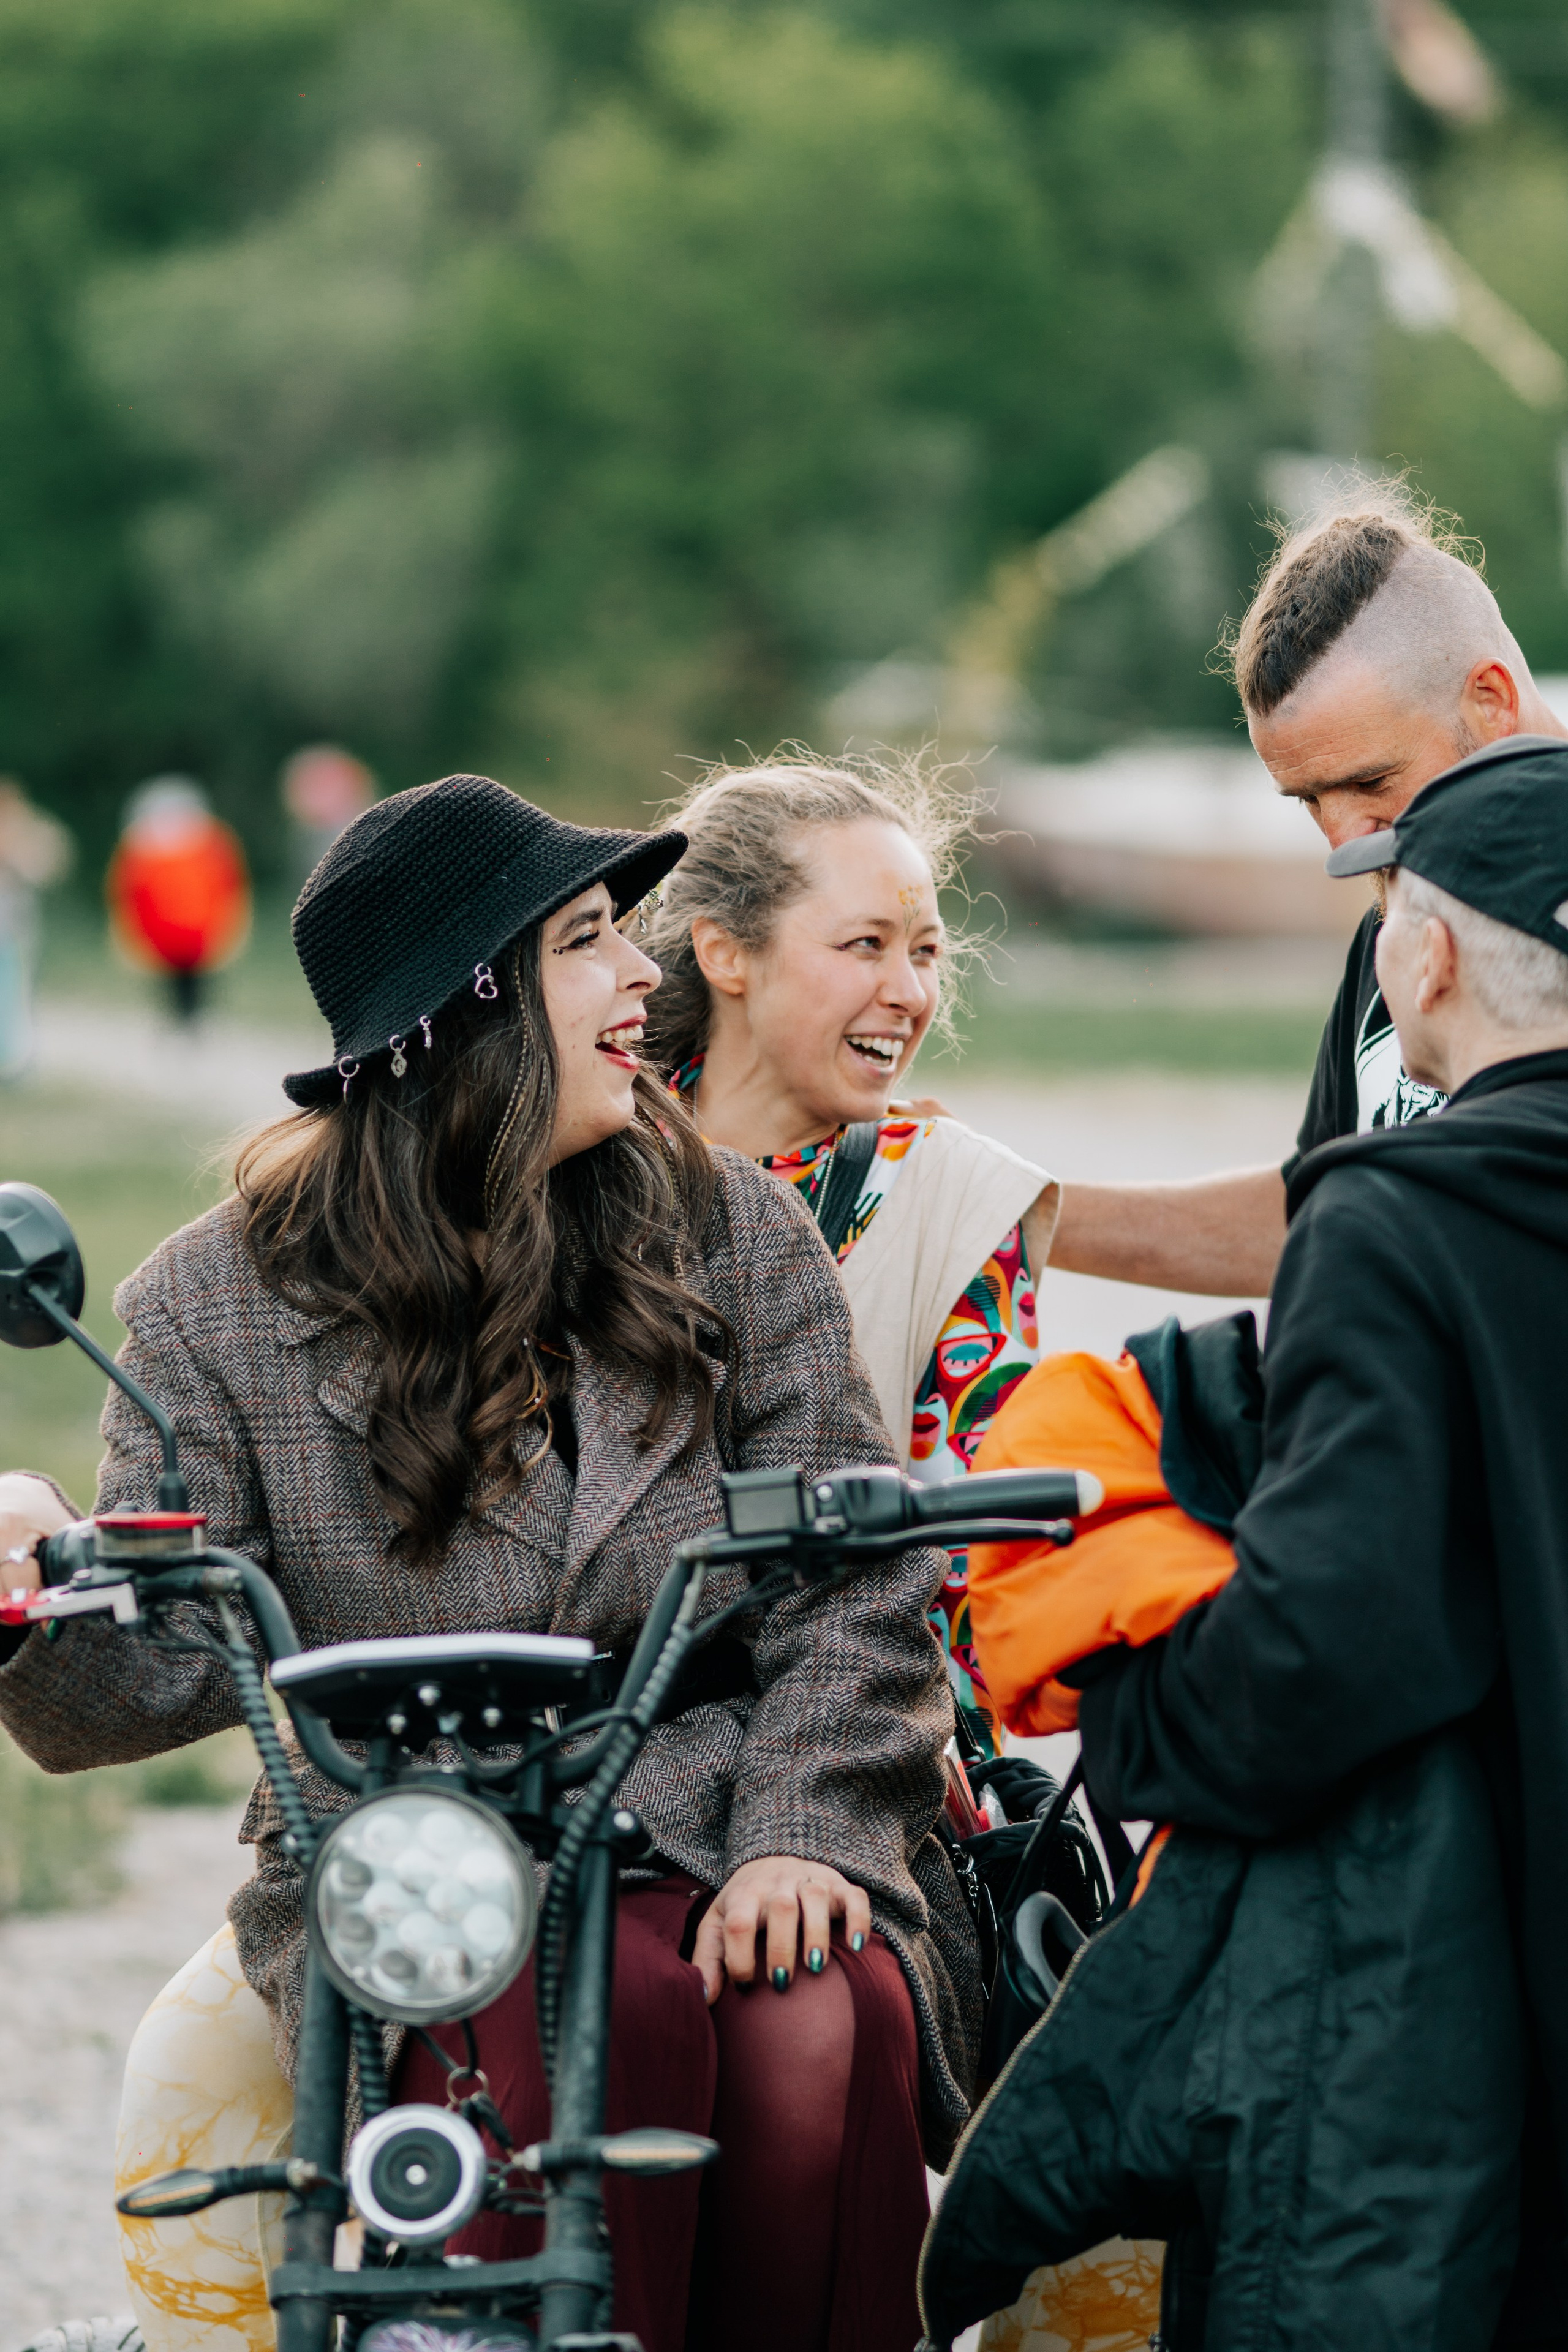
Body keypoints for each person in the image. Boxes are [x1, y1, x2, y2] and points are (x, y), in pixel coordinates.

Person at [0, 774, 980, 2352]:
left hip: (719, 1795)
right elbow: (163, 1671)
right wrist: (35, 1586)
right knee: (614, 2009)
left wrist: (807, 1831)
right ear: (473, 1011)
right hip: (416, 1848)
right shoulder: (214, 1302)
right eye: (591, 943)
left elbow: (856, 1579)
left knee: (829, 2011)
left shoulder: (729, 1229)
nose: (644, 977)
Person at [1046, 739, 1568, 2345]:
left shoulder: (1398, 1216)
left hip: (1479, 1987)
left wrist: (1116, 1707)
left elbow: (1327, 1650)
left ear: (1433, 950)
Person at [1046, 492, 1568, 1302]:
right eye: (1307, 800)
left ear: (1490, 700)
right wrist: (1010, 1210)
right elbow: (1324, 1216)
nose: (1344, 841)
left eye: (1370, 782)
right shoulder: (1404, 899)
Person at [645, 753, 1058, 1755]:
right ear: (725, 953)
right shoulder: (585, 1164)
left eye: (925, 951)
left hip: (865, 1744)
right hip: (598, 1749)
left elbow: (971, 1561)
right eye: (865, 945)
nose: (910, 992)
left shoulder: (955, 1195)